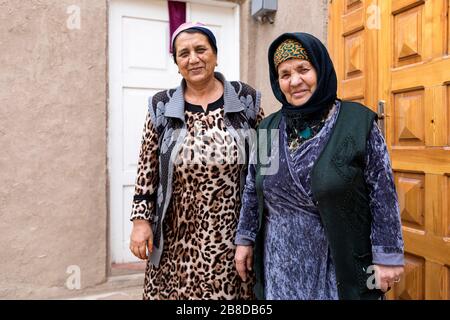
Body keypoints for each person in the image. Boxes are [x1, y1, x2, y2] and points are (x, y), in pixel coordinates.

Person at [234, 32, 404, 300]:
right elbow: (253, 192)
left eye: (304, 69)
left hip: (340, 262)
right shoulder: (268, 129)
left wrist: (388, 256)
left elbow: (382, 195)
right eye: (285, 74)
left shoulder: (356, 123)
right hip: (280, 266)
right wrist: (244, 240)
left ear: (320, 69)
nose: (295, 81)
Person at [129, 22, 264, 300]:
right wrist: (141, 221)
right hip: (175, 234)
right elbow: (147, 168)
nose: (193, 59)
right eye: (184, 53)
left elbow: (267, 165)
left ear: (215, 54)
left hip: (231, 236)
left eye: (201, 49)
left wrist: (254, 233)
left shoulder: (247, 98)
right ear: (176, 63)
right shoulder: (161, 105)